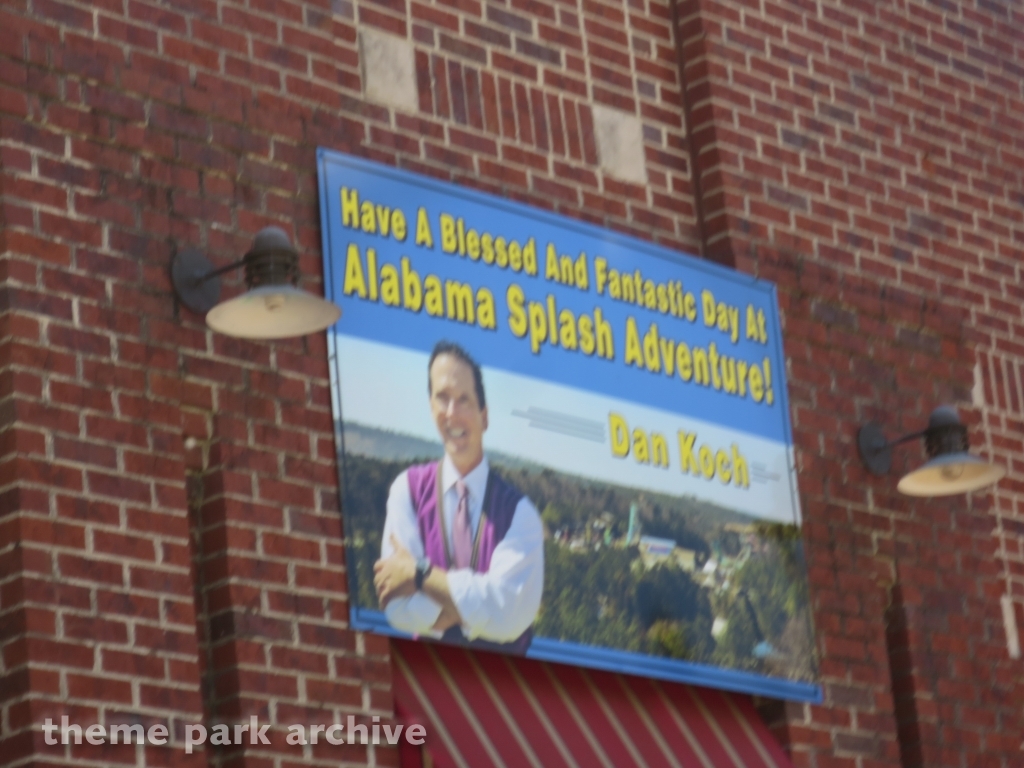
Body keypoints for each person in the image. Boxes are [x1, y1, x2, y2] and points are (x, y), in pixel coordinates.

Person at [373, 341, 543, 653]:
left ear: (485, 417)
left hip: (504, 692)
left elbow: (509, 617)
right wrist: (479, 610)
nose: (452, 413)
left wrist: (418, 574)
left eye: (464, 400)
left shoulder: (520, 514)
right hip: (426, 685)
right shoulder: (407, 491)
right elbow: (397, 609)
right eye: (442, 398)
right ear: (430, 406)